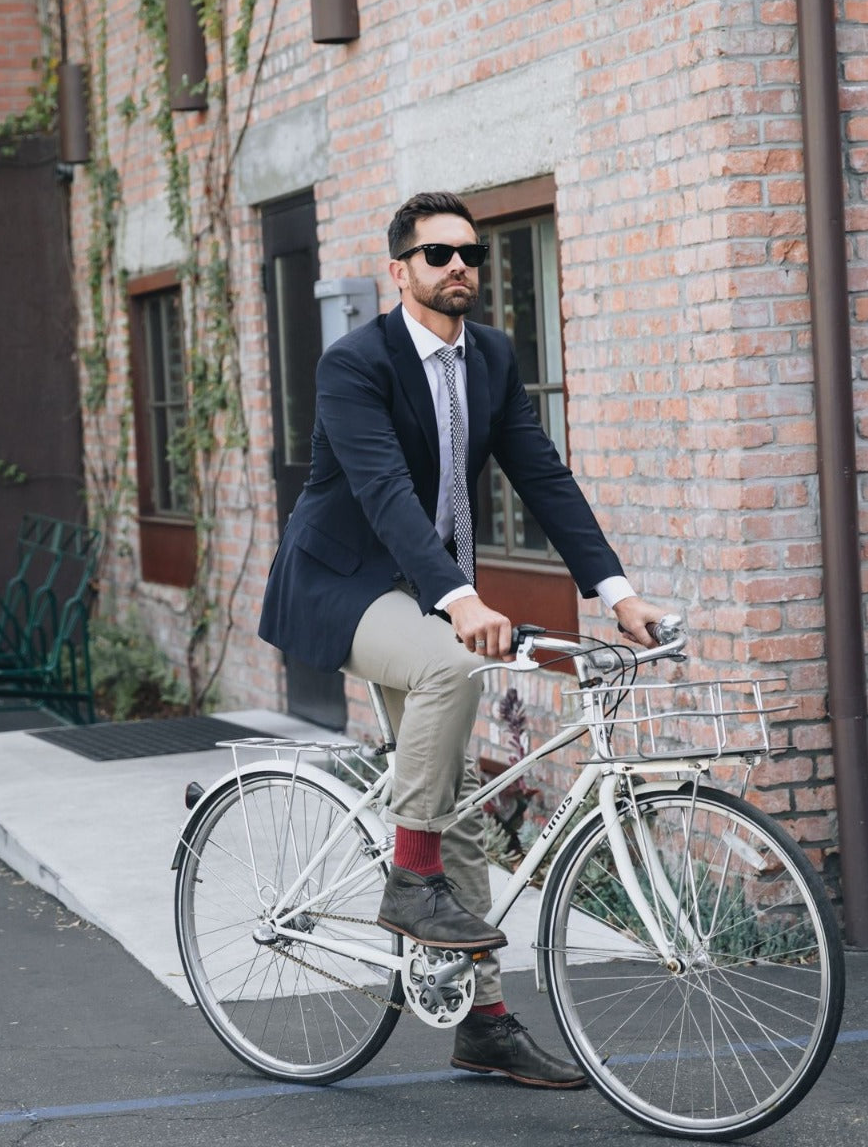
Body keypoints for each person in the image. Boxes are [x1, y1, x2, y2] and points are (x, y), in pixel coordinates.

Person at [259, 191, 668, 1088]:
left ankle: (481, 1017)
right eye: (437, 253)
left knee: (465, 811)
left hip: (430, 588)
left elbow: (543, 476)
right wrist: (456, 595)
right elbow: (383, 494)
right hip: (346, 584)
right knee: (454, 669)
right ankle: (409, 880)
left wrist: (616, 591)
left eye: (469, 254)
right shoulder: (353, 363)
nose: (458, 267)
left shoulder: (490, 355)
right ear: (399, 270)